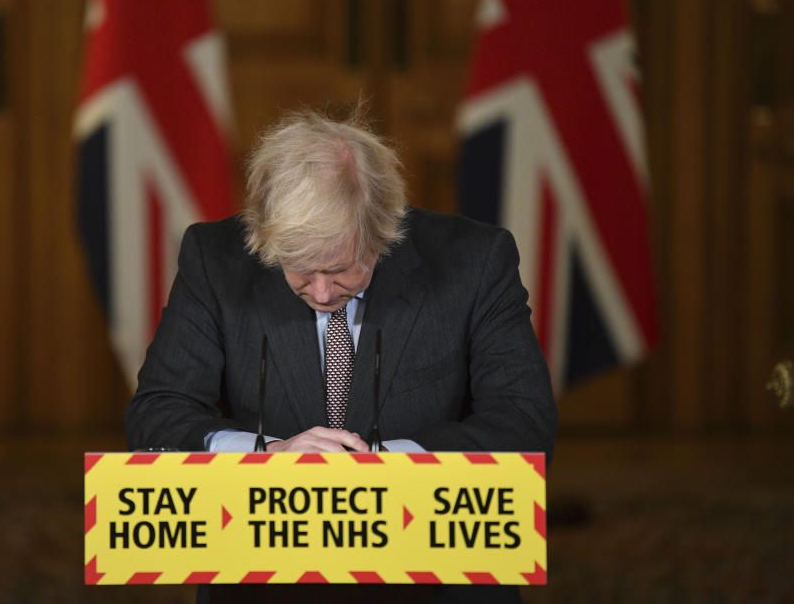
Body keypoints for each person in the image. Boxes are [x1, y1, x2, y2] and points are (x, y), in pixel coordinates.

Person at [125, 107, 557, 603]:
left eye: (343, 268)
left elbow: (525, 421)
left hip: (437, 569)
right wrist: (265, 458)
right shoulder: (213, 259)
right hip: (267, 567)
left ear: (383, 231)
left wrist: (387, 466)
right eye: (301, 270)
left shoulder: (475, 260)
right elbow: (156, 415)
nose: (325, 293)